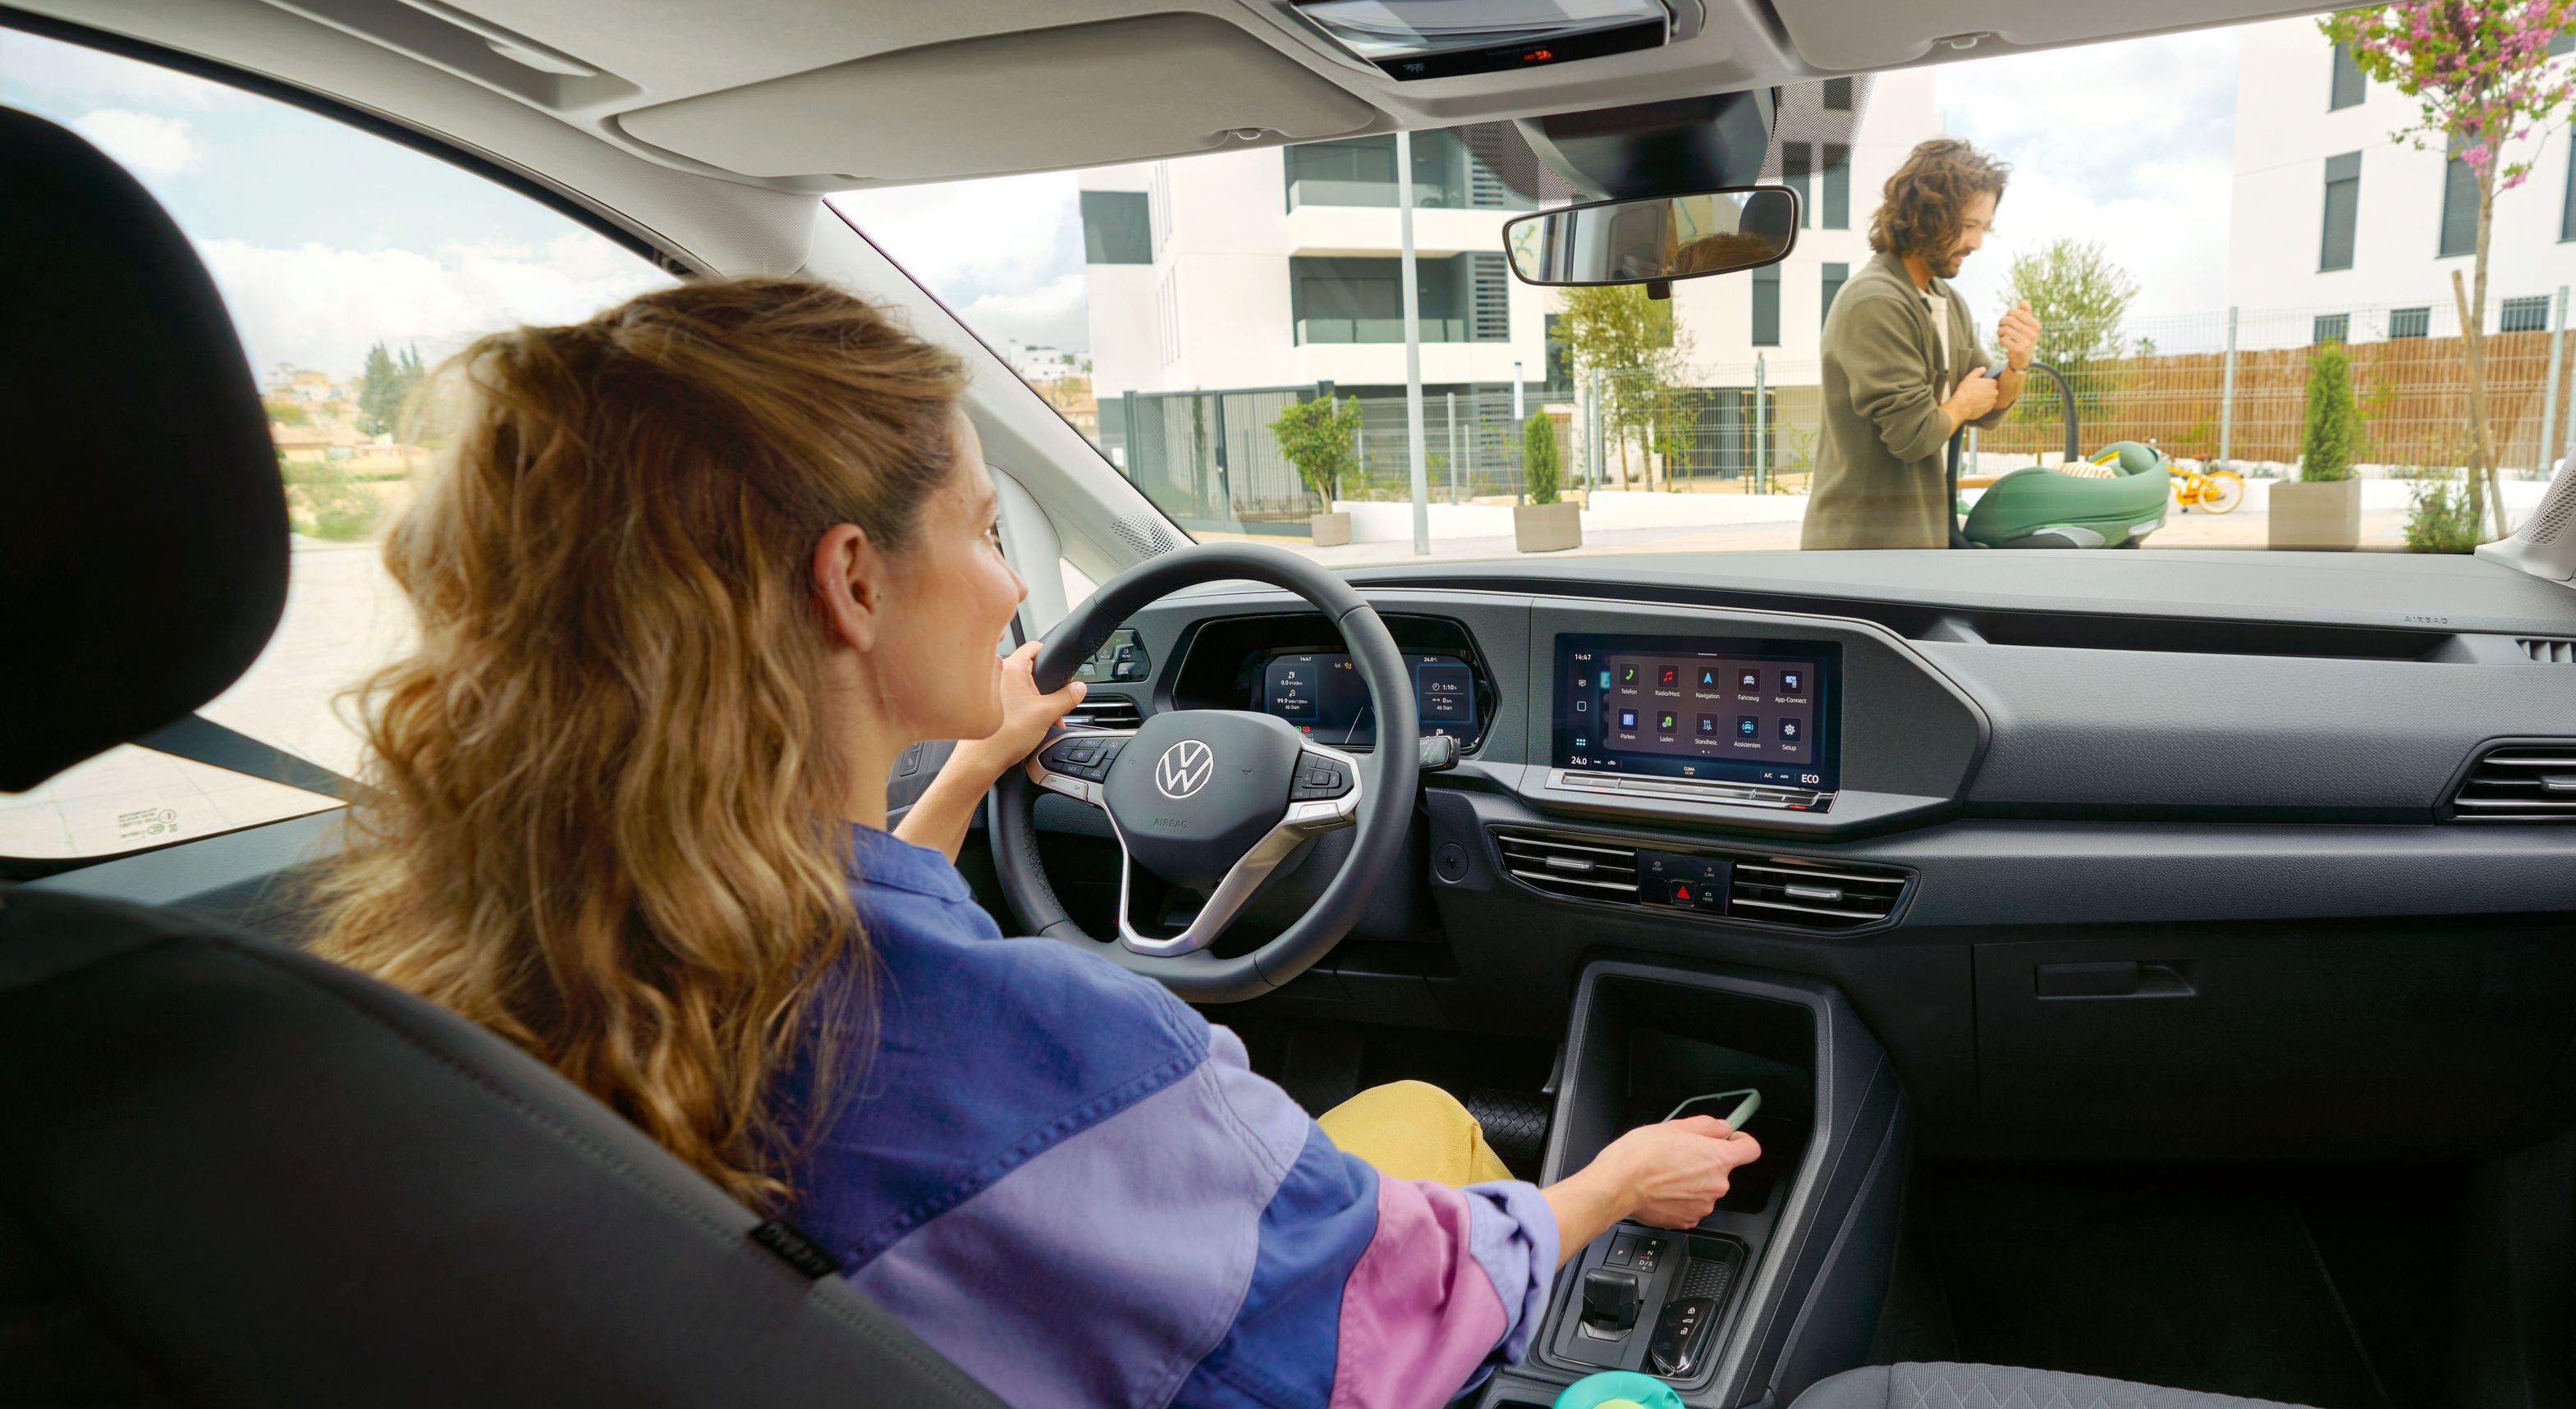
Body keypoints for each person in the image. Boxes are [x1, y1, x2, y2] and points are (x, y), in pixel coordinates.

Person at [308, 279, 1757, 1409]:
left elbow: (853, 908)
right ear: (854, 581)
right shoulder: (1070, 1062)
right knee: (1431, 1120)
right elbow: (1371, 1321)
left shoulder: (477, 964)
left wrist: (981, 765)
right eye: (988, 528)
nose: (1012, 584)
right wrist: (1613, 1185)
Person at [1803, 139, 2041, 548]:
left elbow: (1989, 408)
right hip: (1860, 550)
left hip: (1917, 543)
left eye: (1982, 227)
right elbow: (1913, 437)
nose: (1977, 243)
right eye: (1969, 225)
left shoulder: (1947, 300)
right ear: (1927, 216)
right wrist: (1962, 404)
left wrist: (2018, 363)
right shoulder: (1875, 302)